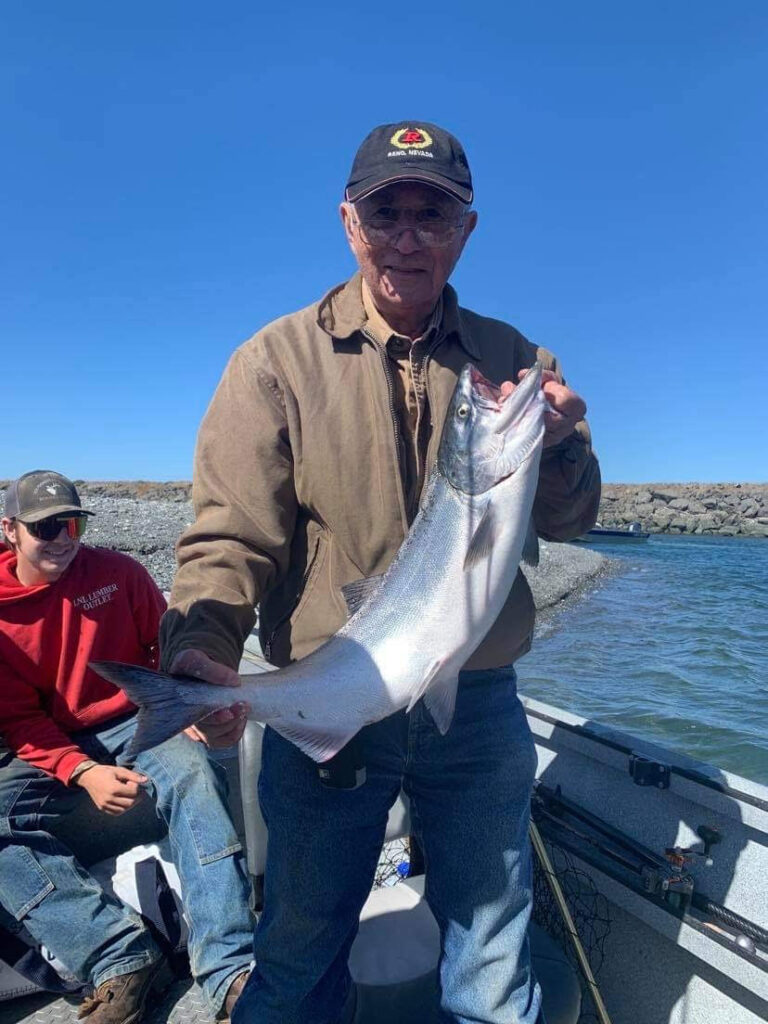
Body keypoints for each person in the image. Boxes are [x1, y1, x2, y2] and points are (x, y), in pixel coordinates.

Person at [160, 122, 601, 1024]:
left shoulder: (517, 360)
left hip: (475, 699)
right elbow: (232, 533)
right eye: (385, 213)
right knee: (301, 942)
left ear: (465, 231)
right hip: (334, 693)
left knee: (492, 944)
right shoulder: (274, 362)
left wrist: (558, 451)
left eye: (431, 216)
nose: (407, 236)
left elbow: (573, 520)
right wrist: (202, 645)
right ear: (349, 225)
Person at [0, 470, 252, 1024]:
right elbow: (18, 719)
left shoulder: (120, 574)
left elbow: (161, 649)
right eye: (46, 527)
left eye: (73, 523)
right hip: (53, 740)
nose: (64, 538)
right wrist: (81, 770)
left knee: (194, 774)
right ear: (10, 530)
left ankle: (230, 968)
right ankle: (117, 955)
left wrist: (184, 706)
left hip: (138, 717)